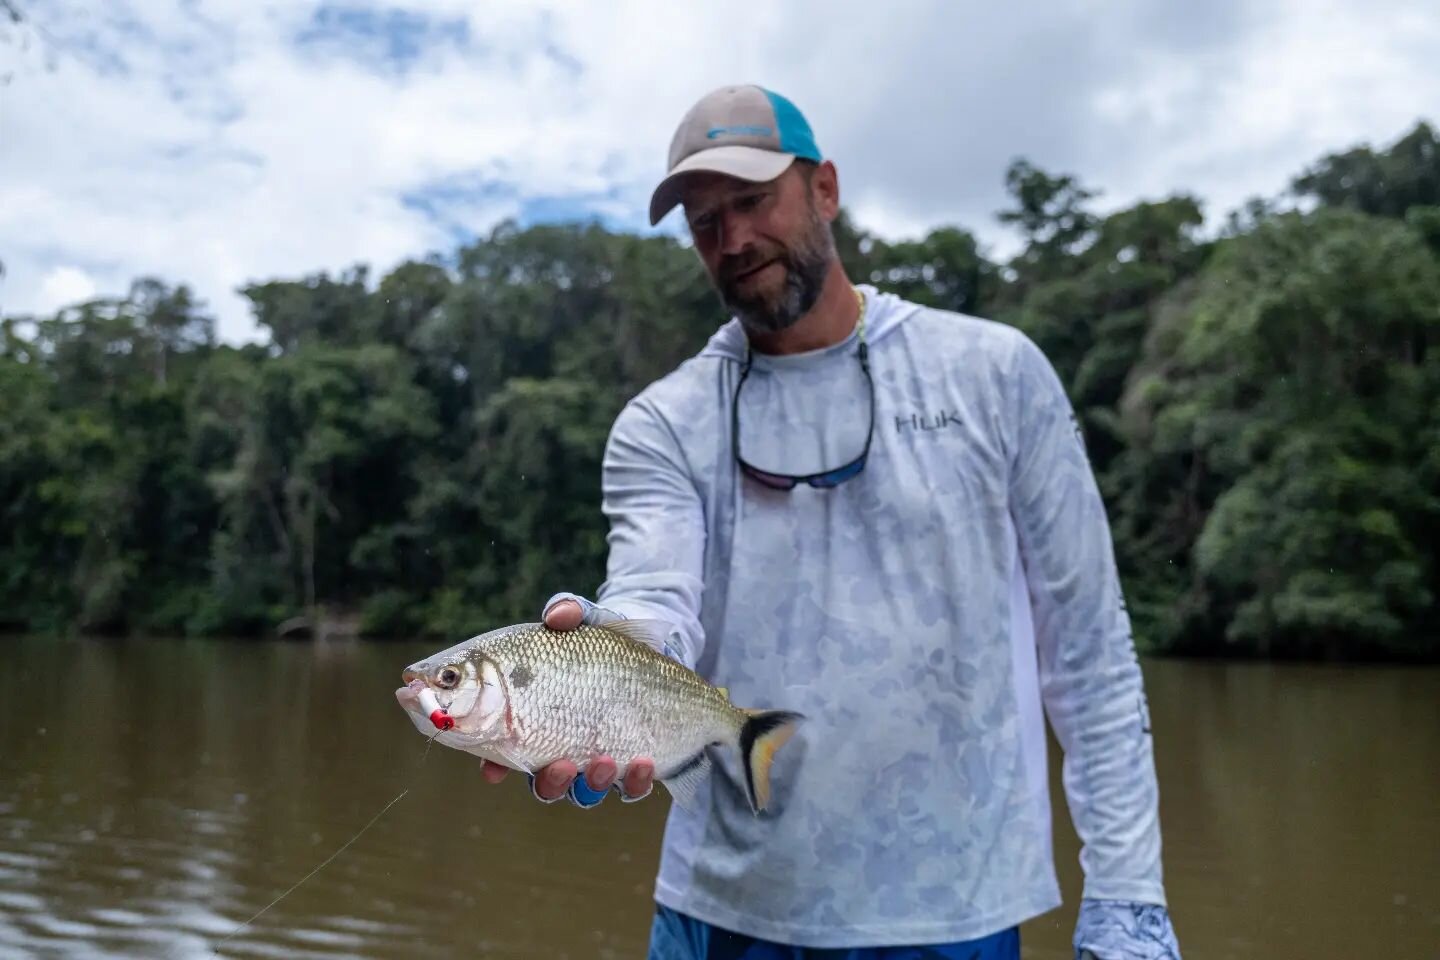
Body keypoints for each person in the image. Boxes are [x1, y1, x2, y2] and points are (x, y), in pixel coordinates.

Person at [479, 84, 1184, 960]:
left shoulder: (995, 376)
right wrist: (606, 658)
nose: (732, 239)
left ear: (824, 190)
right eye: (704, 222)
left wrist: (1127, 895)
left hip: (953, 911)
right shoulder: (662, 423)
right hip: (721, 913)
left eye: (751, 200)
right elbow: (657, 592)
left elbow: (1087, 652)